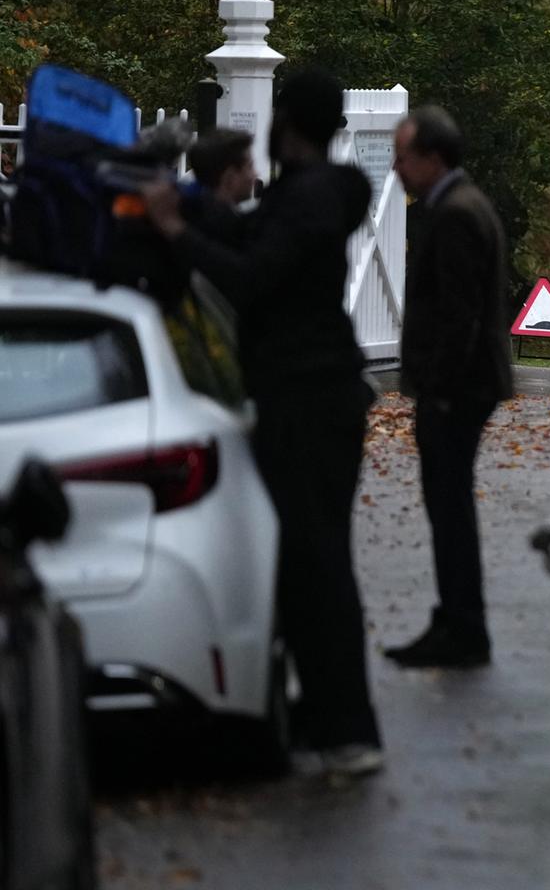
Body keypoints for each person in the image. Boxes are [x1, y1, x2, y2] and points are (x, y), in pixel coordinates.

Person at [142, 69, 383, 777]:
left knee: (317, 565)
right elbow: (251, 230)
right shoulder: (311, 195)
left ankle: (348, 729)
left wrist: (174, 230)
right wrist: (188, 205)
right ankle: (325, 715)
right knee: (311, 562)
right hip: (313, 396)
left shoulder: (307, 200)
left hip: (307, 399)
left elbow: (250, 275)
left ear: (288, 123)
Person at [383, 106, 512, 669]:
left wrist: (437, 390)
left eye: (403, 157)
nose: (395, 168)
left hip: (457, 391)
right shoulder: (459, 204)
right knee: (449, 504)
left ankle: (462, 626)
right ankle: (457, 618)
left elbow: (458, 315)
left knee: (449, 505)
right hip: (461, 386)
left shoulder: (456, 214)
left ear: (433, 158)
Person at [188, 128, 258, 208]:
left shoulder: (190, 213)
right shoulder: (234, 219)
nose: (255, 174)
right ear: (229, 177)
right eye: (250, 166)